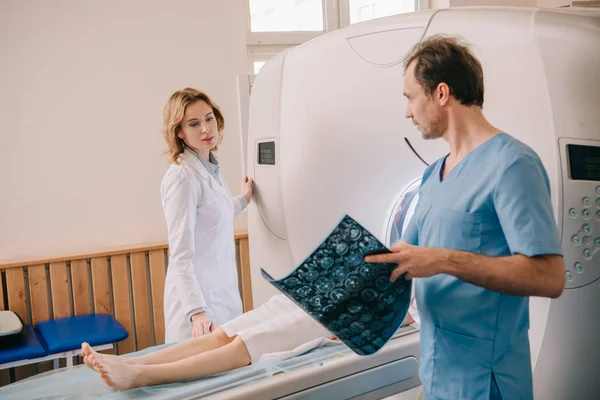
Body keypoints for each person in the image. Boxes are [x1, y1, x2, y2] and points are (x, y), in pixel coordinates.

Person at [366, 35, 565, 400]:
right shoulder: (433, 173)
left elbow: (550, 277)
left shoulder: (513, 165)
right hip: (438, 373)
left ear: (441, 93)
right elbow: (404, 261)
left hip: (486, 381)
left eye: (410, 97)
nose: (407, 111)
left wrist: (443, 259)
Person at [80, 294, 417, 391]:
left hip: (343, 316)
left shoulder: (437, 281)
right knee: (228, 331)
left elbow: (407, 314)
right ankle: (135, 363)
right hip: (330, 297)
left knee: (249, 343)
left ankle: (143, 376)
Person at [160, 88, 254, 343]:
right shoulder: (182, 177)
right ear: (179, 131)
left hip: (223, 296)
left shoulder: (210, 166)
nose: (205, 129)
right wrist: (198, 313)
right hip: (198, 310)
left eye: (209, 118)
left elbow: (216, 214)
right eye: (194, 123)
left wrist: (244, 199)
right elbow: (180, 256)